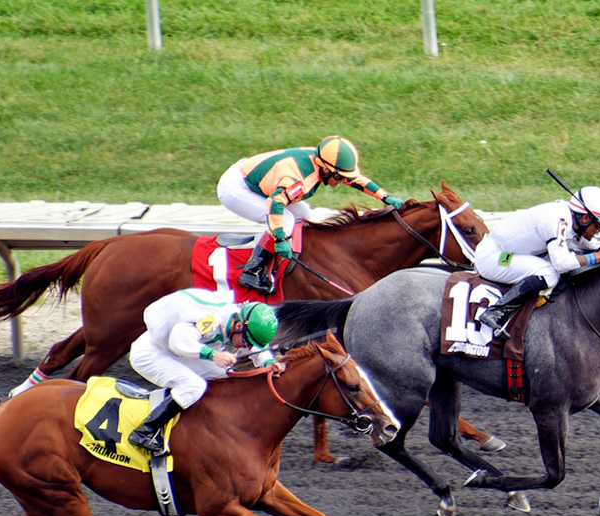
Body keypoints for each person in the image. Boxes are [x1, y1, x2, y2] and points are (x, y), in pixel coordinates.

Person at [218, 137, 406, 295]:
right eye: (338, 177)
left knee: (305, 213)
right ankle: (253, 270)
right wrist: (279, 239)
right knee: (287, 221)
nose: (341, 182)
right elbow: (275, 203)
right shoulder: (300, 180)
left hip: (260, 179)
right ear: (325, 169)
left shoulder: (323, 163)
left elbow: (355, 180)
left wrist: (385, 196)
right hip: (236, 188)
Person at [125, 289, 281, 458]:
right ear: (238, 326)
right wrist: (214, 355)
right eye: (246, 342)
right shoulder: (211, 319)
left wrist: (268, 363)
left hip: (177, 351)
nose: (248, 348)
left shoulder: (239, 320)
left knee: (226, 378)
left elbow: (256, 345)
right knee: (194, 386)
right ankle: (145, 432)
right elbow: (179, 341)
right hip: (152, 353)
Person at [471, 186, 600, 339]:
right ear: (584, 219)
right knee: (549, 272)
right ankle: (496, 312)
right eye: (599, 225)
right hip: (496, 257)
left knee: (562, 262)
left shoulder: (569, 218)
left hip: (508, 253)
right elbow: (562, 263)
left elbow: (583, 244)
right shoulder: (557, 220)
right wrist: (598, 256)